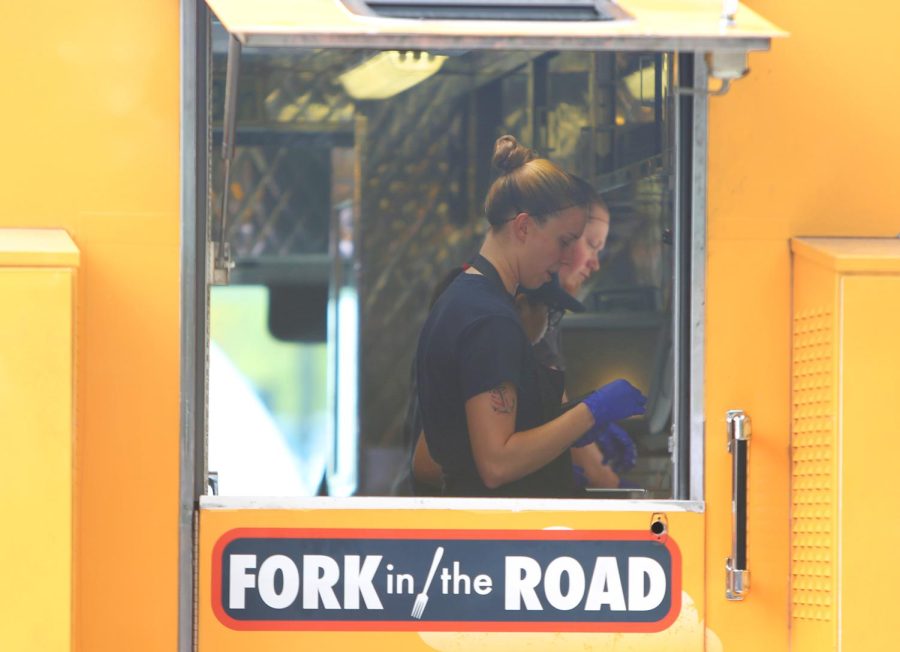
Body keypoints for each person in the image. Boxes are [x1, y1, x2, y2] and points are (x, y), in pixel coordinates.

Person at [415, 135, 646, 497]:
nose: (565, 257)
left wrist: (569, 426)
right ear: (523, 227)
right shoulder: (489, 320)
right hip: (497, 537)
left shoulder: (466, 299)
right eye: (564, 241)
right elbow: (497, 463)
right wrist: (590, 411)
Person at [533, 190, 634, 489]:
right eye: (591, 246)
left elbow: (556, 413)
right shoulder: (524, 318)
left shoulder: (546, 316)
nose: (595, 263)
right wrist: (614, 488)